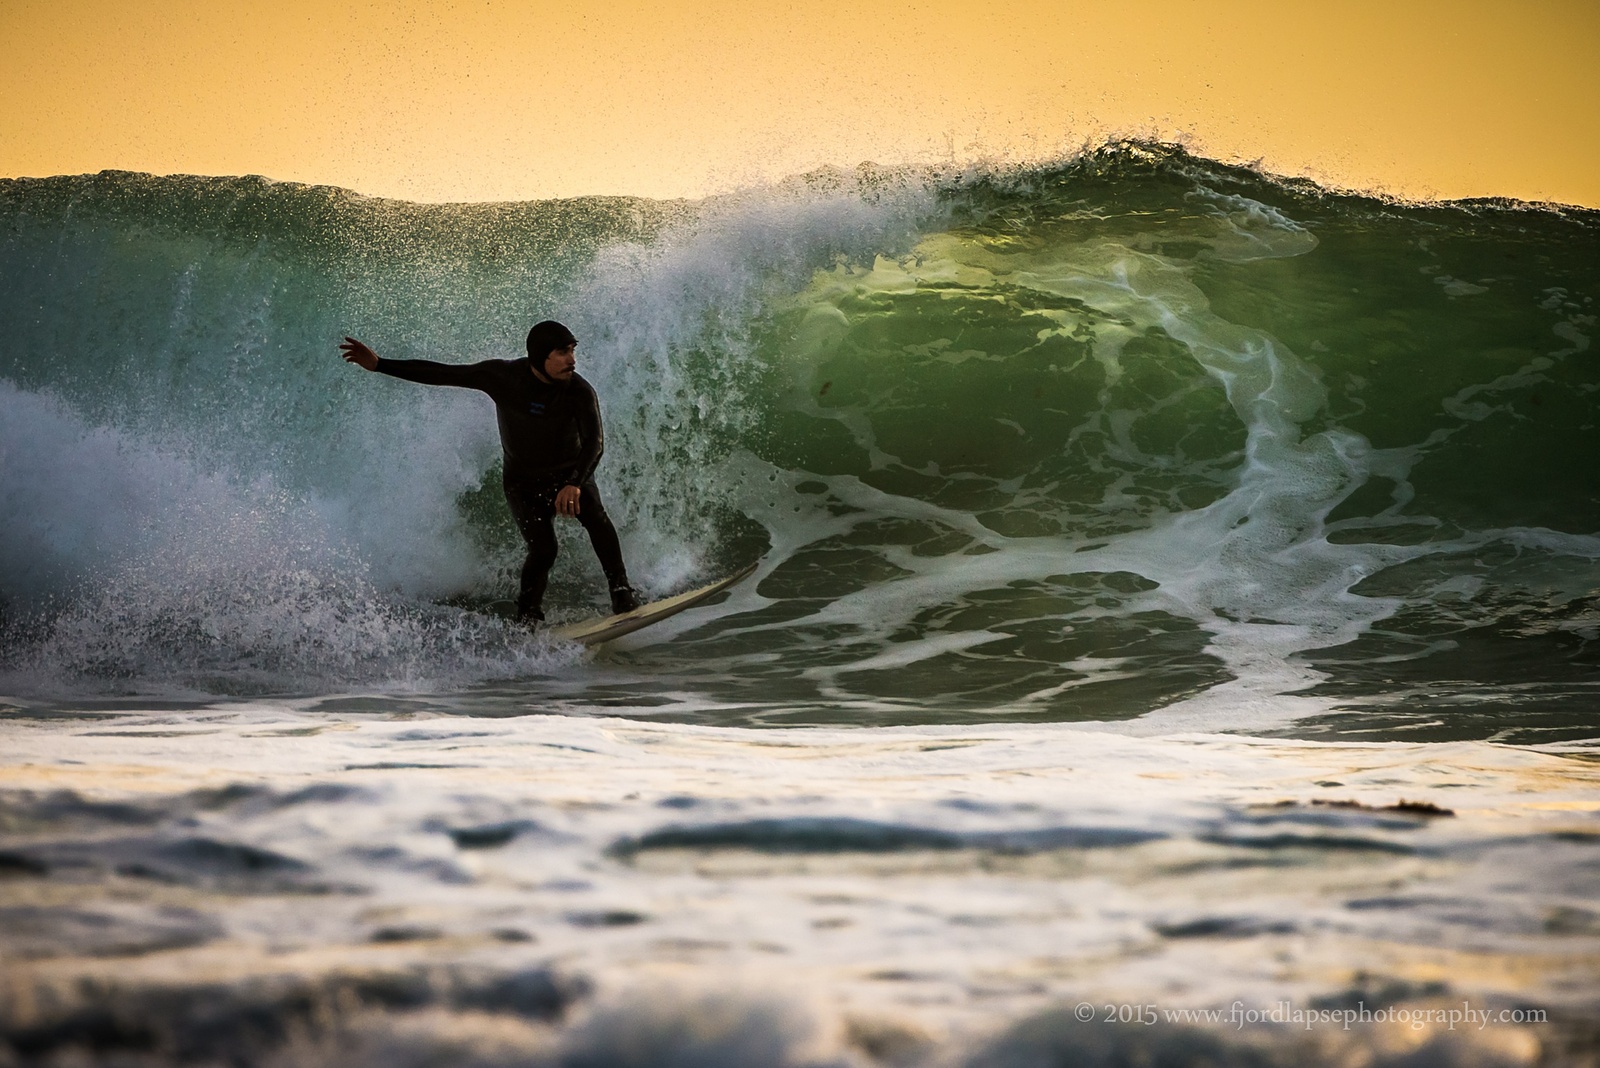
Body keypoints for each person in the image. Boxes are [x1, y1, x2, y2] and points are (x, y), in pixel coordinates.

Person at [339, 321, 640, 628]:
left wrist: (575, 483)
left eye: (573, 351)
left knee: (596, 517)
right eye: (562, 352)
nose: (572, 360)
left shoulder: (579, 392)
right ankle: (527, 615)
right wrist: (379, 365)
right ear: (540, 356)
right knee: (544, 548)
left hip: (570, 475)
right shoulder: (504, 377)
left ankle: (620, 590)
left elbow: (595, 444)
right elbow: (444, 374)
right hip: (523, 482)